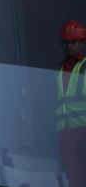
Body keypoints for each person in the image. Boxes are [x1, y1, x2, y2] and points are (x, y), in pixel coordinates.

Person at [56, 20, 86, 186]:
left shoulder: (85, 67)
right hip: (64, 131)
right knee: (74, 176)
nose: (69, 46)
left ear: (82, 43)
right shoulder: (59, 71)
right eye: (66, 42)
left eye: (73, 42)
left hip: (83, 128)